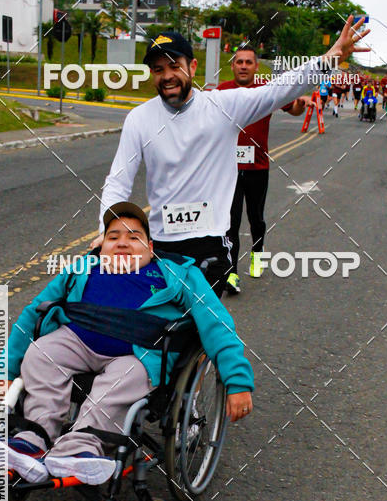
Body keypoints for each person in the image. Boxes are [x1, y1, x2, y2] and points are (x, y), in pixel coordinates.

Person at [95, 18, 370, 297]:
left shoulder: (221, 106)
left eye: (175, 66)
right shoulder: (139, 119)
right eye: (158, 69)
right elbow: (118, 181)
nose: (167, 75)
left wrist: (328, 60)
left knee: (201, 320)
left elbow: (276, 91)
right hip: (160, 243)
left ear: (192, 67)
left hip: (209, 243)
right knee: (157, 320)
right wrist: (108, 232)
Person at [0, 202, 254, 486]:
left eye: (133, 236)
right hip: (76, 340)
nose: (122, 243)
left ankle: (79, 446)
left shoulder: (179, 273)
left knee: (123, 379)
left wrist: (237, 380)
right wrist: (6, 370)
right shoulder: (83, 267)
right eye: (113, 236)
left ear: (150, 248)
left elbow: (216, 323)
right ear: (102, 246)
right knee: (41, 354)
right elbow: (33, 312)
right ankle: (33, 439)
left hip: (138, 353)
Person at [216, 44, 306, 294]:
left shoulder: (267, 90)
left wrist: (300, 105)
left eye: (248, 62)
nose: (243, 66)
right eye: (239, 62)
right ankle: (231, 273)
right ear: (233, 66)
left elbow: (294, 109)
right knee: (230, 222)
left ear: (256, 66)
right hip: (228, 170)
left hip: (257, 167)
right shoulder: (221, 91)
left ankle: (257, 253)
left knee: (256, 218)